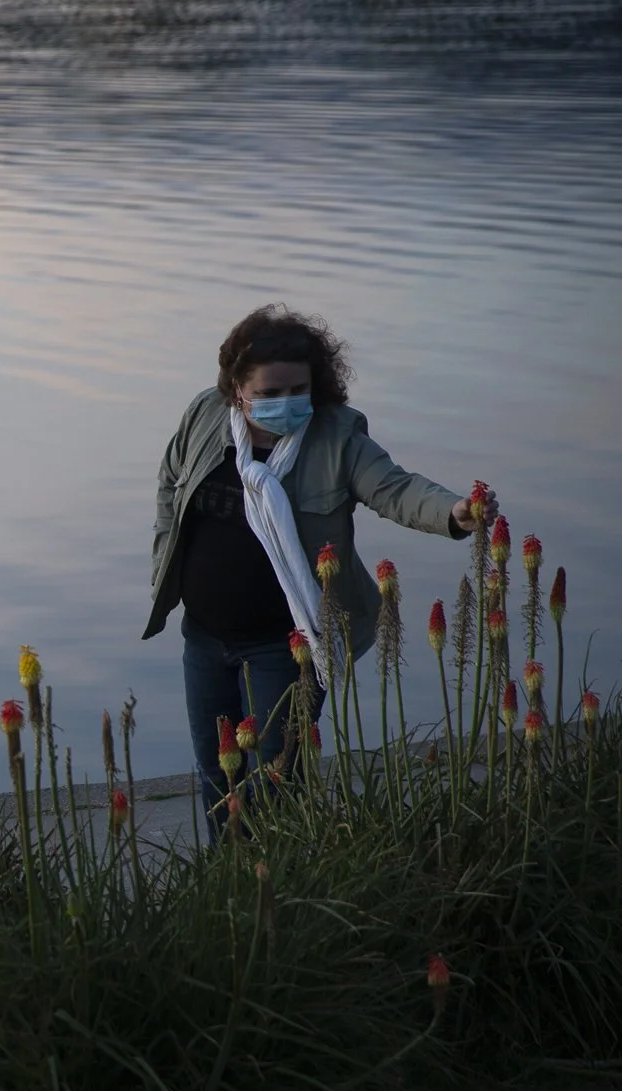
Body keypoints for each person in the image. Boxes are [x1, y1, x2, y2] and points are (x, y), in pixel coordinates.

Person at [142, 305, 495, 839]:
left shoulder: (336, 437)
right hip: (205, 638)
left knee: (276, 776)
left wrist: (454, 513)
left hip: (288, 647)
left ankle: (280, 882)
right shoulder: (205, 415)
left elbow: (396, 489)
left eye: (297, 389)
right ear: (237, 388)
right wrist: (162, 559)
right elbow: (171, 479)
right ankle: (226, 886)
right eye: (270, 391)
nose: (286, 402)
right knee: (216, 773)